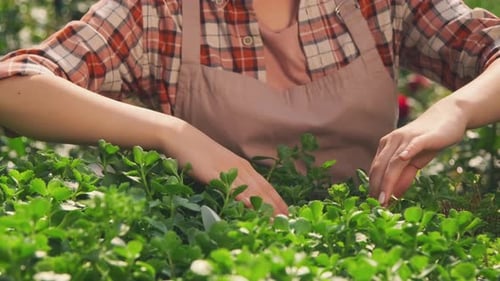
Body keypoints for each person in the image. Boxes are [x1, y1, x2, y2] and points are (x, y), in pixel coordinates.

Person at [0, 0, 498, 215]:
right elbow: (12, 86)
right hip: (216, 252)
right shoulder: (159, 10)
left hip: (371, 243)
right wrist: (174, 133)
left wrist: (456, 108)